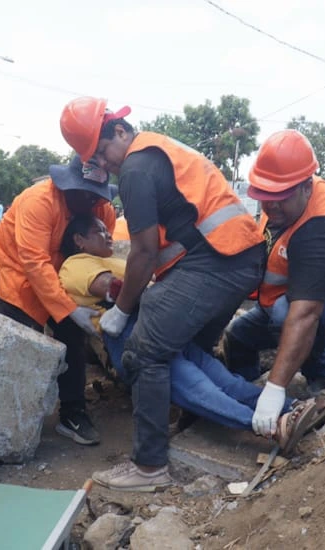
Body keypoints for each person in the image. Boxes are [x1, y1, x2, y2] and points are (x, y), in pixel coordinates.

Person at [60, 97, 265, 491]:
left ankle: (150, 466)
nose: (104, 165)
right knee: (193, 352)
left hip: (215, 262)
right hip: (237, 258)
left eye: (103, 152)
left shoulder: (136, 168)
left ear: (120, 131)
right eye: (95, 160)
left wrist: (121, 310)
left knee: (145, 353)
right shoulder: (159, 149)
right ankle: (279, 411)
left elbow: (144, 251)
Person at [58, 214, 325, 447]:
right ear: (79, 240)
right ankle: (272, 427)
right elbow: (113, 289)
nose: (108, 234)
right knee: (196, 387)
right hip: (131, 332)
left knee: (226, 381)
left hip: (160, 324)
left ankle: (295, 407)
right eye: (98, 231)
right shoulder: (75, 265)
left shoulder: (116, 259)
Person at [221, 129, 325, 439]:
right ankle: (246, 395)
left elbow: (306, 313)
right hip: (294, 298)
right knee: (238, 336)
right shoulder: (285, 199)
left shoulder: (321, 230)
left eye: (279, 200)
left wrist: (275, 389)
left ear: (306, 187)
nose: (270, 209)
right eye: (265, 199)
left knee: (287, 316)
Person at [0, 155, 116, 447]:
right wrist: (68, 309)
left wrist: (94, 297)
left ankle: (72, 411)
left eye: (97, 196)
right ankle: (6, 417)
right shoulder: (38, 202)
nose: (92, 202)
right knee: (23, 344)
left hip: (64, 275)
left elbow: (95, 257)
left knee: (73, 339)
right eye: (86, 194)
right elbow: (33, 261)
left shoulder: (102, 211)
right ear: (69, 185)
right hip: (18, 274)